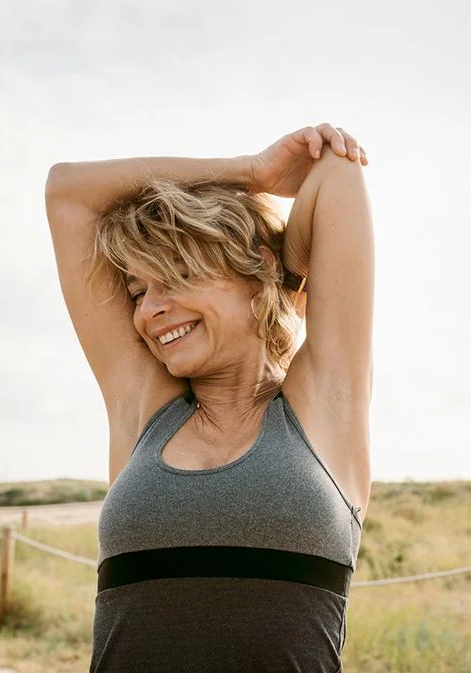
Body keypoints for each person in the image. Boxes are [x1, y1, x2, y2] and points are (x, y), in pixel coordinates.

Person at [44, 124, 374, 672]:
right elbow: (67, 193)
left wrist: (277, 283)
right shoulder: (144, 410)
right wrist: (250, 171)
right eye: (138, 291)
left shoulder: (324, 409)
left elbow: (337, 172)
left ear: (257, 268)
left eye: (175, 276)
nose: (149, 311)